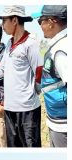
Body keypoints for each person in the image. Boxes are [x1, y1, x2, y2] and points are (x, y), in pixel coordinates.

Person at [0, 5, 43, 147]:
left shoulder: (30, 43)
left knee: (30, 147)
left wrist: (31, 92)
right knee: (13, 146)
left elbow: (38, 71)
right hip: (10, 109)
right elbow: (2, 69)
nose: (2, 25)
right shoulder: (10, 43)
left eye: (4, 20)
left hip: (27, 110)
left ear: (14, 20)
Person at [32, 5, 67, 147]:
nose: (40, 25)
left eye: (40, 21)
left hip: (63, 124)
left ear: (51, 22)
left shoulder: (61, 51)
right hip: (57, 120)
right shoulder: (58, 45)